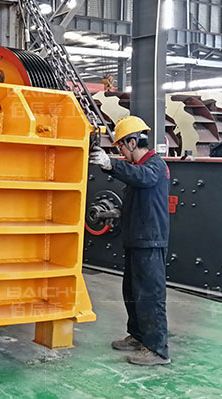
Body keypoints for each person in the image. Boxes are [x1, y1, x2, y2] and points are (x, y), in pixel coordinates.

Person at [89, 115, 171, 366]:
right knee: (133, 292)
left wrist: (110, 164)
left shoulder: (154, 166)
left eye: (121, 147)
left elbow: (141, 177)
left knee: (150, 295)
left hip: (150, 241)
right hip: (137, 240)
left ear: (133, 142)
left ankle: (157, 350)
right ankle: (138, 336)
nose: (121, 152)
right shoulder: (139, 168)